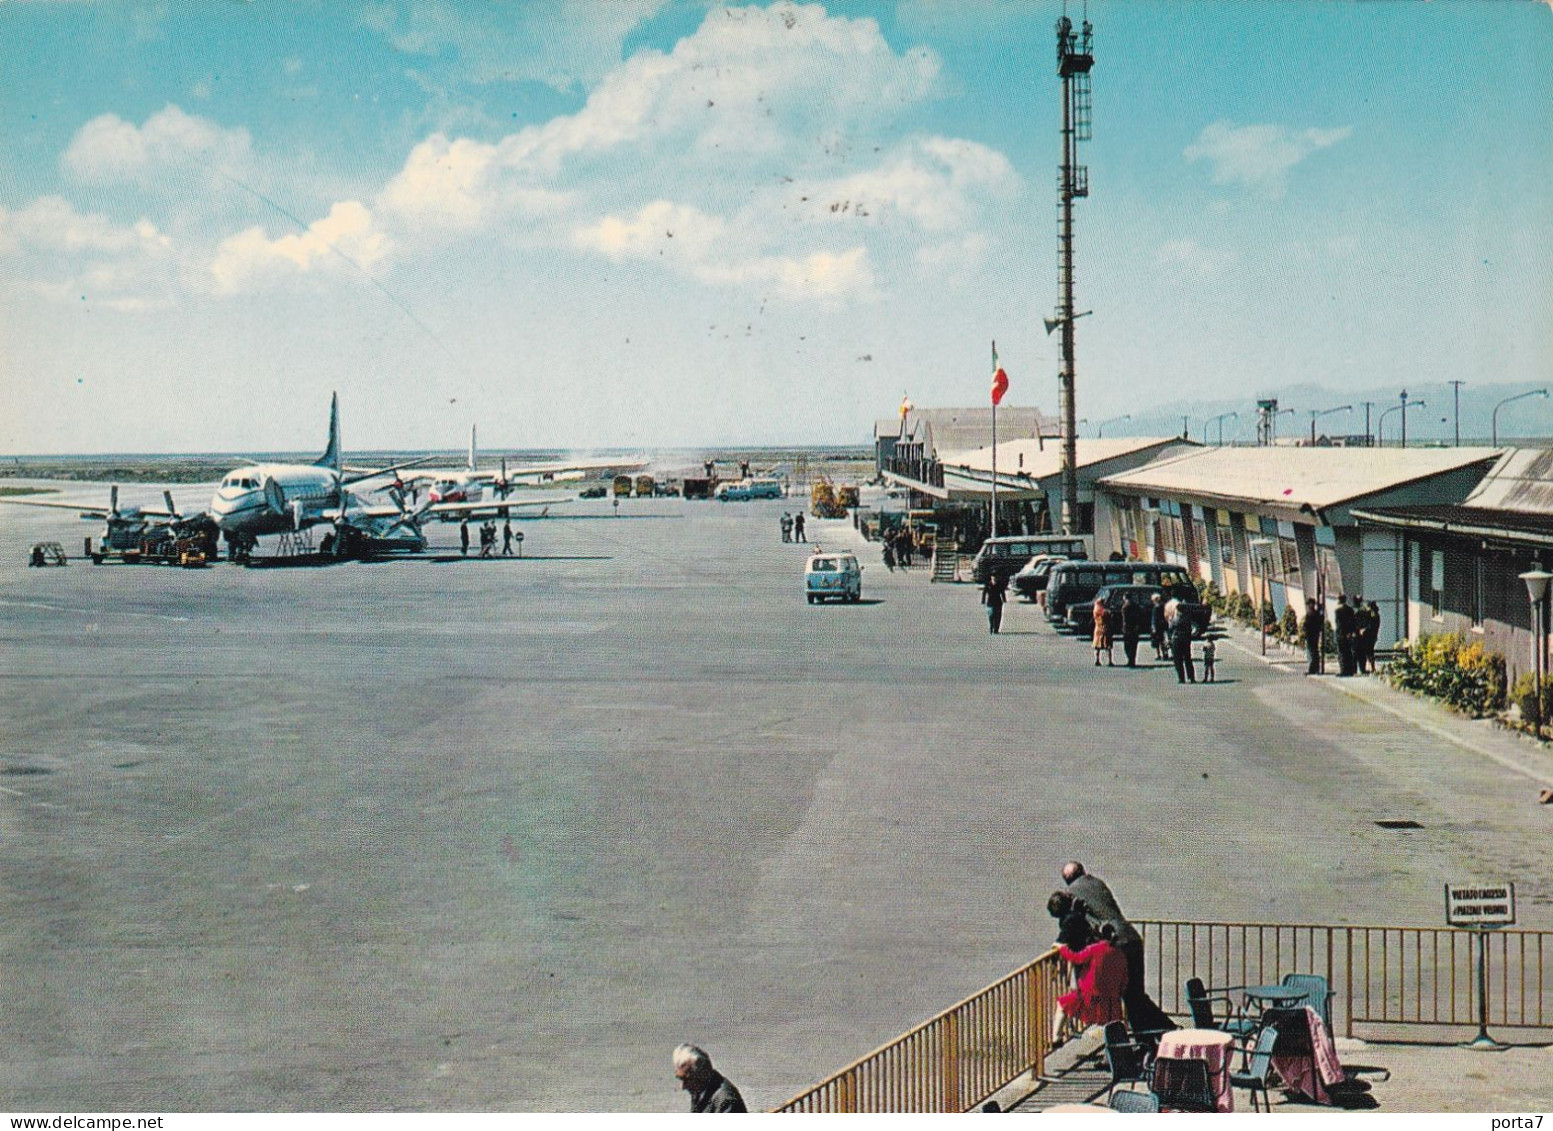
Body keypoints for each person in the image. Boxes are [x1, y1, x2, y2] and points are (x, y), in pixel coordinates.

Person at [1062, 861, 1176, 1043]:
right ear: (1083, 871)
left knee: (1117, 999)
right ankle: (1163, 1032)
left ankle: (1153, 1038)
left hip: (1116, 945)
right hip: (1131, 937)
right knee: (1135, 995)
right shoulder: (1097, 883)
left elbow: (1071, 924)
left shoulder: (1071, 894)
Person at [1051, 923, 1129, 1044]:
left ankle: (1056, 1038)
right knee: (1112, 1027)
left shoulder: (1095, 949)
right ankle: (1109, 1057)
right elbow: (1124, 980)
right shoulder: (1120, 953)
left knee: (1063, 1004)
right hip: (1111, 1001)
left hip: (1090, 997)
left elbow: (1076, 957)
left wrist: (1062, 949)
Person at [673, 1044, 747, 1113]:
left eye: (686, 1079)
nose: (682, 1086)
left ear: (702, 1074)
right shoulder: (700, 1089)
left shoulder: (726, 1101)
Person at [1169, 604, 1196, 684]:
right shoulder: (1187, 619)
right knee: (1187, 658)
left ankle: (1181, 678)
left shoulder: (1175, 620)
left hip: (1176, 639)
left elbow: (1170, 628)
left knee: (1178, 660)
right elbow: (1190, 630)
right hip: (1185, 640)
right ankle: (1191, 677)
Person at [1334, 594, 1357, 676]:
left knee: (1342, 653)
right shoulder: (1350, 610)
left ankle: (1343, 670)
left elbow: (1339, 624)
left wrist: (1341, 633)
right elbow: (1353, 622)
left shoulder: (1338, 611)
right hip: (1349, 634)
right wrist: (1351, 632)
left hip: (1341, 634)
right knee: (1349, 652)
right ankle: (1350, 670)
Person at [1120, 594, 1146, 668]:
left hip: (1128, 628)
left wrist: (1123, 628)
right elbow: (1139, 616)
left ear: (1125, 597)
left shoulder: (1125, 607)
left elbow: (1125, 619)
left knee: (1127, 645)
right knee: (1134, 645)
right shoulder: (1136, 606)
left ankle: (1130, 659)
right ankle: (1132, 660)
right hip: (1135, 628)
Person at [1301, 598, 1325, 675]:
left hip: (1311, 636)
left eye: (1309, 604)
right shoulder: (1315, 613)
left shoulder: (1311, 614)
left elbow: (1308, 625)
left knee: (1312, 653)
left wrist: (1305, 629)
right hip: (1314, 635)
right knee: (1314, 652)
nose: (1308, 606)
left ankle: (1313, 670)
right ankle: (1315, 669)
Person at [1091, 597, 1114, 666]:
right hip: (1105, 629)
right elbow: (1107, 616)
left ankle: (1097, 660)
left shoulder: (1095, 610)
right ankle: (1110, 661)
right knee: (1108, 646)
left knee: (1097, 646)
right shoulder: (1104, 611)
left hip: (1097, 629)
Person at [1362, 600, 1382, 672]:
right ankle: (1372, 667)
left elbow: (1371, 626)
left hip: (1370, 636)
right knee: (1370, 651)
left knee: (1369, 651)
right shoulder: (1375, 614)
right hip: (1373, 636)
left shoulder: (1373, 615)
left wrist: (1364, 630)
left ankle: (1372, 667)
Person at [1149, 593, 1169, 661]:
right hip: (1163, 625)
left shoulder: (1156, 608)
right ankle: (1165, 654)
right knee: (1163, 641)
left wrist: (1153, 626)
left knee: (1157, 641)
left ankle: (1159, 655)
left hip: (1157, 626)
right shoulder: (1163, 606)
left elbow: (1154, 618)